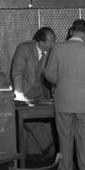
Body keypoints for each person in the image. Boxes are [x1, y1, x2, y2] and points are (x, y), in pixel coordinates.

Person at [44, 19, 85, 170]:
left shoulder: (57, 48)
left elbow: (48, 74)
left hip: (62, 99)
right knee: (84, 138)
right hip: (84, 101)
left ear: (71, 32)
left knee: (64, 138)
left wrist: (61, 82)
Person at [11, 27, 57, 158]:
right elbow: (17, 72)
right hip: (24, 91)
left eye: (54, 40)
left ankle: (34, 154)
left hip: (41, 92)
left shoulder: (51, 51)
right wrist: (19, 94)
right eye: (51, 41)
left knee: (40, 121)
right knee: (29, 121)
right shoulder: (24, 48)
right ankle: (47, 145)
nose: (53, 44)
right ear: (41, 42)